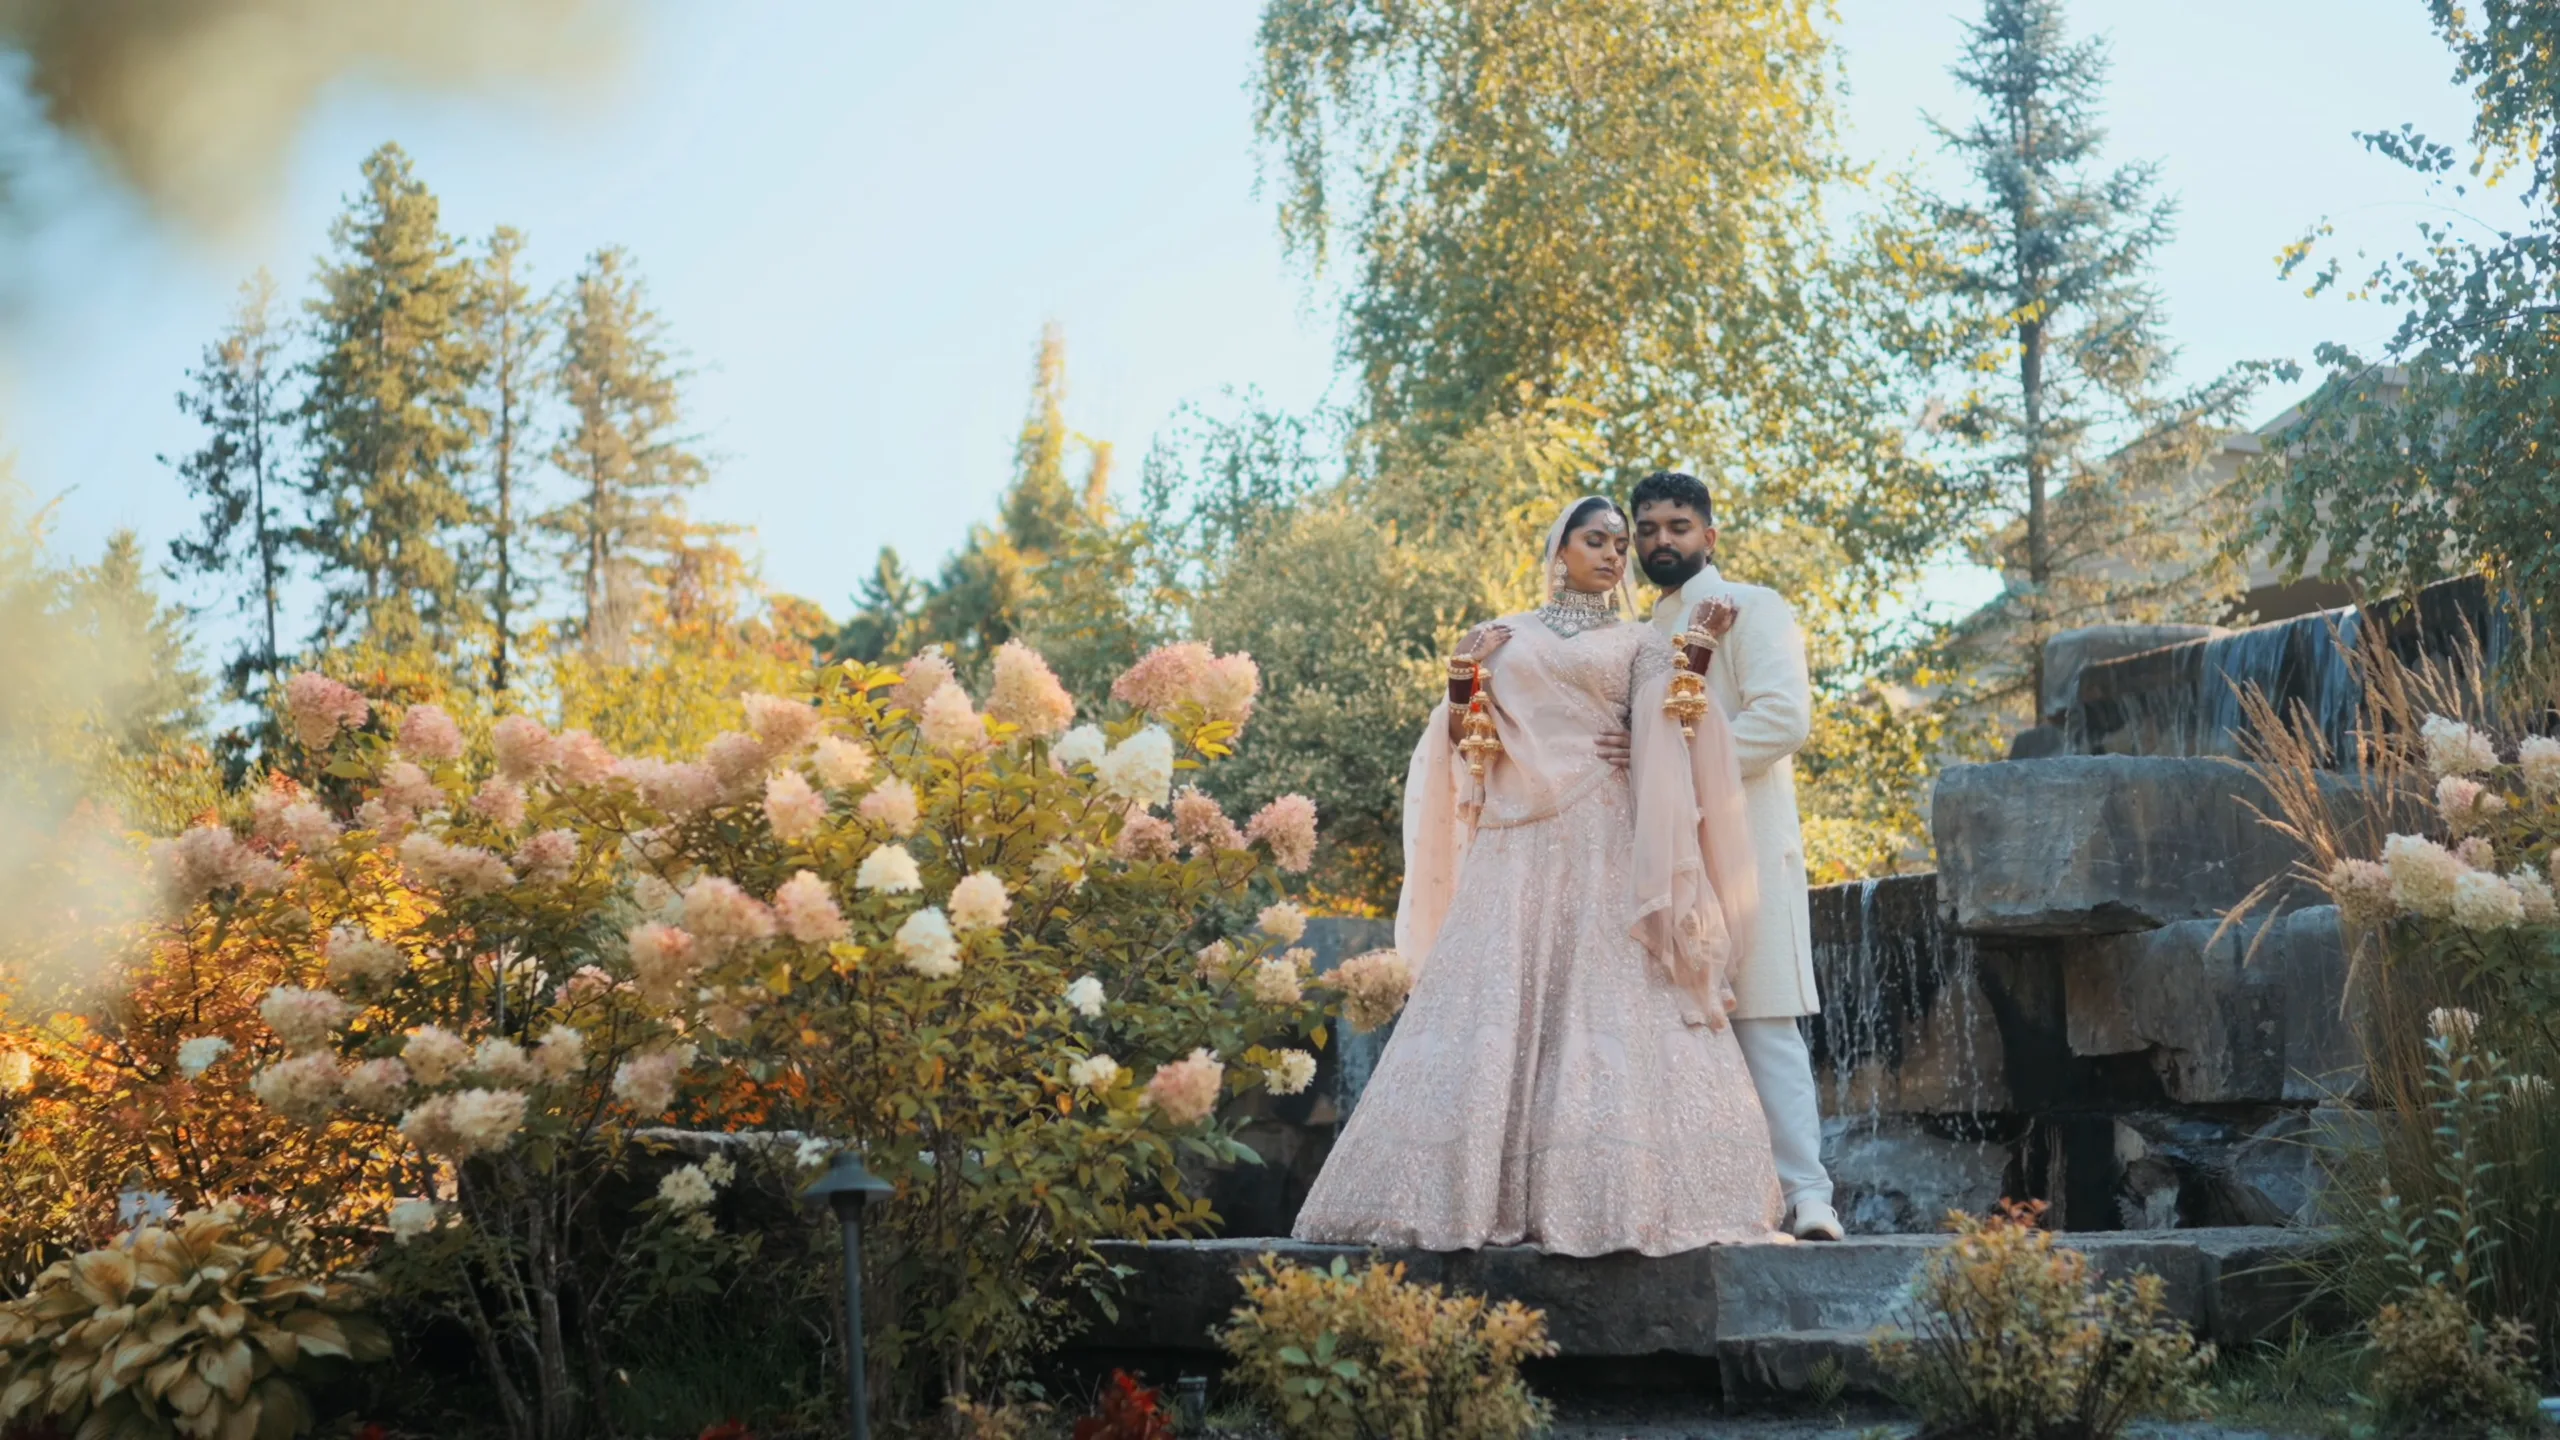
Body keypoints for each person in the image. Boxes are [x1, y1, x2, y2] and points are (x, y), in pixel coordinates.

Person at [1291, 495, 1785, 1256]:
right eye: (1597, 540)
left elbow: (1678, 720)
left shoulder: (1639, 641)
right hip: (1514, 841)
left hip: (1605, 836)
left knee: (1606, 994)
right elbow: (1471, 744)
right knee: (1494, 1000)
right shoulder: (1502, 635)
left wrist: (1697, 648)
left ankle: (1609, 1198)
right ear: (1560, 551)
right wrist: (1462, 677)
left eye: (1619, 543)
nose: (1614, 554)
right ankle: (1462, 1196)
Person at [1628, 470, 1842, 1243]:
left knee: (1763, 1020)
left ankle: (1809, 1196)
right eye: (1647, 528)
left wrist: (1677, 773)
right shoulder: (1636, 634)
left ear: (1709, 536)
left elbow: (1783, 719)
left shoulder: (1753, 606)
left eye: (1677, 526)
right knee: (1676, 1027)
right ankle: (1703, 1200)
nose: (1661, 540)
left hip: (1742, 846)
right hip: (1661, 858)